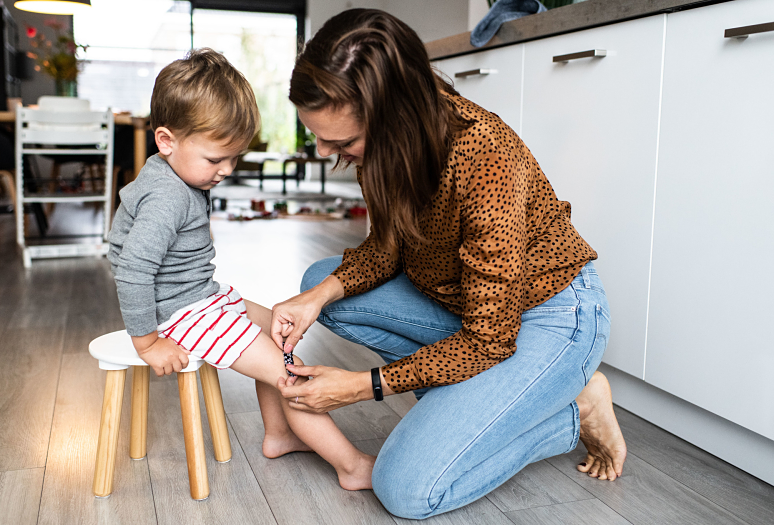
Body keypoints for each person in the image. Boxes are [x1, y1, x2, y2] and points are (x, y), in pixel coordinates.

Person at [269, 9, 628, 519]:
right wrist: (316, 297)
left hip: (549, 314)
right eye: (318, 137)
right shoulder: (390, 150)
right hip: (466, 308)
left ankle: (573, 409)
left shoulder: (485, 156)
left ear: (395, 117)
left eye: (343, 142)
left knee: (407, 489)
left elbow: (489, 339)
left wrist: (361, 386)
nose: (329, 154)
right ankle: (493, 399)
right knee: (318, 282)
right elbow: (386, 248)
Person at [106, 48, 374, 491]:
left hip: (199, 295)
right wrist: (148, 342)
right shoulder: (166, 197)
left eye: (235, 158)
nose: (226, 171)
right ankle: (350, 466)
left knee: (277, 332)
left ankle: (280, 434)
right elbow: (133, 270)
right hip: (179, 312)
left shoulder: (177, 174)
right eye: (216, 160)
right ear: (166, 141)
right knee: (291, 372)